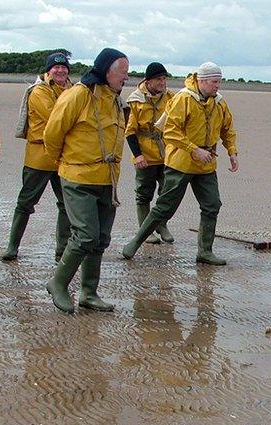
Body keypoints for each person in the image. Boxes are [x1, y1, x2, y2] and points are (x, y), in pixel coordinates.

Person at [121, 61, 238, 265]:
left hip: (206, 163)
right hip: (181, 162)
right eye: (214, 82)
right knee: (165, 206)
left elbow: (227, 128)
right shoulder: (183, 99)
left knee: (212, 205)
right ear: (201, 81)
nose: (218, 86)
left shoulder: (219, 102)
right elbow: (170, 131)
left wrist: (232, 152)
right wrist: (194, 149)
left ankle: (205, 251)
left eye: (219, 81)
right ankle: (136, 242)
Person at [43, 48, 128, 313]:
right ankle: (58, 283)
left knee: (101, 238)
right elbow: (52, 134)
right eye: (122, 72)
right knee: (85, 235)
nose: (126, 77)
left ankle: (88, 292)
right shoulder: (78, 95)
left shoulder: (115, 100)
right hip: (78, 176)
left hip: (108, 180)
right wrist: (65, 163)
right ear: (106, 71)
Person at [2, 51, 73, 262]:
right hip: (39, 156)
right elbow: (57, 119)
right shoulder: (39, 91)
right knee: (26, 202)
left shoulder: (72, 90)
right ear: (48, 70)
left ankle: (62, 250)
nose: (60, 71)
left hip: (64, 156)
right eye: (56, 67)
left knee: (67, 203)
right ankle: (12, 247)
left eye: (64, 67)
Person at [124, 61, 175, 245]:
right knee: (144, 194)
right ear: (149, 81)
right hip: (145, 154)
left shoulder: (171, 97)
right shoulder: (135, 100)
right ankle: (145, 230)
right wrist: (138, 155)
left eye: (164, 79)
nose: (163, 82)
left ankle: (161, 224)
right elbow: (129, 131)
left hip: (167, 154)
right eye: (159, 79)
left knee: (168, 192)